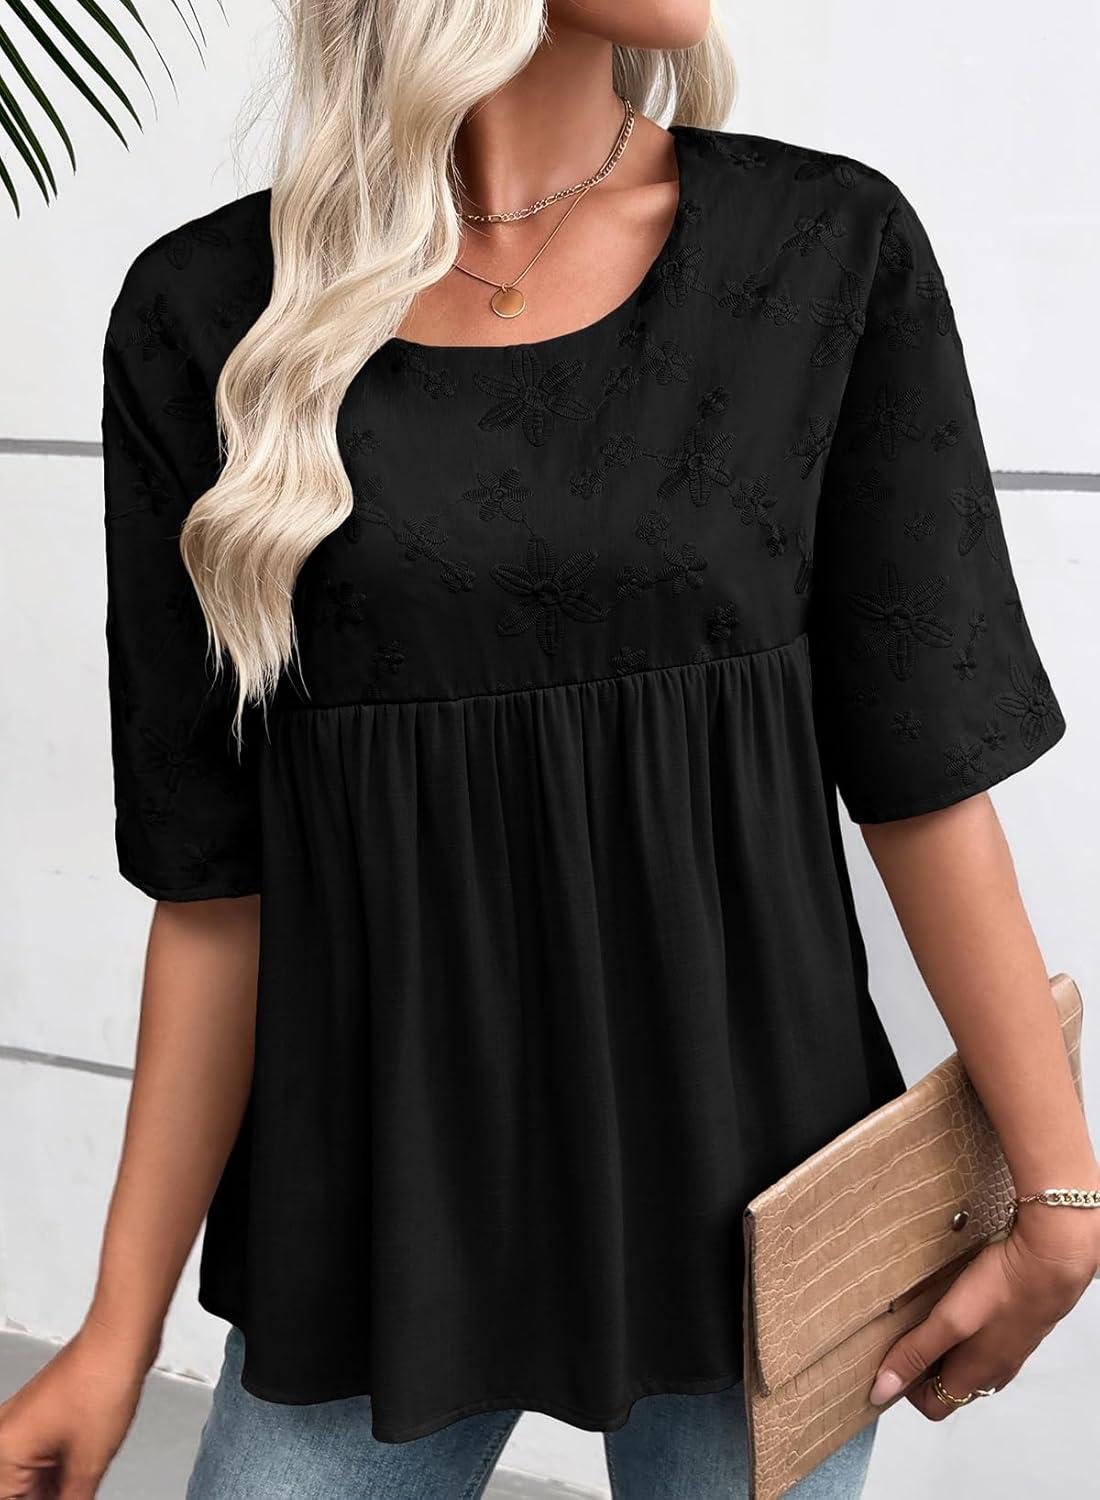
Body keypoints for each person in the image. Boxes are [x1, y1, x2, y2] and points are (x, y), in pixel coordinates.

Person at [2, 2, 1097, 1497]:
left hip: (761, 1200)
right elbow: (216, 890)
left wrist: (1060, 1191)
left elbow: (925, 774)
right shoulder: (211, 316)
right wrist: (116, 1335)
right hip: (380, 1212)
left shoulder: (823, 251)